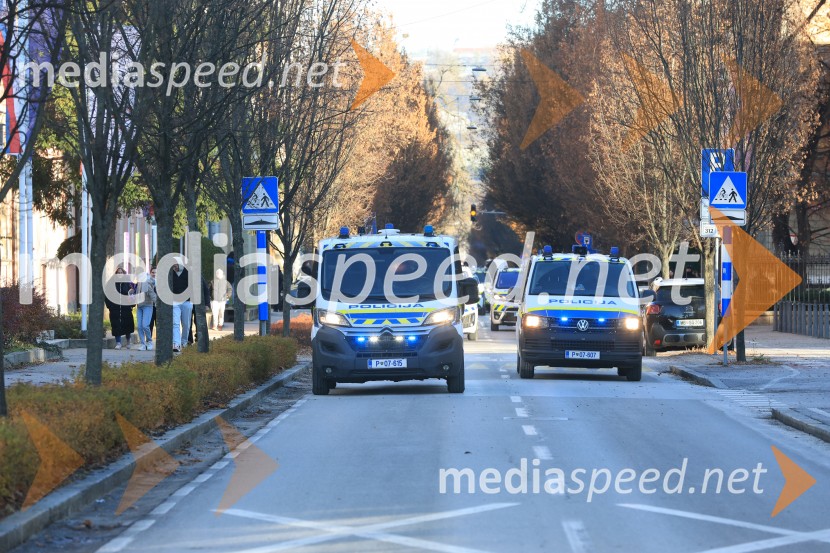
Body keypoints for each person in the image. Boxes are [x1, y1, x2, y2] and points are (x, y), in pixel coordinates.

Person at [106, 266, 136, 349]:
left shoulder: (128, 283)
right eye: (118, 273)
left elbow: (133, 294)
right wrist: (110, 306)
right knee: (116, 325)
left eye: (121, 272)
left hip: (126, 308)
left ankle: (128, 342)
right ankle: (118, 343)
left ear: (124, 273)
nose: (119, 274)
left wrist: (131, 305)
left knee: (127, 325)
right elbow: (107, 295)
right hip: (115, 309)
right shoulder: (111, 283)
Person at [171, 258, 192, 352]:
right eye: (172, 265)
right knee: (175, 322)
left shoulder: (188, 272)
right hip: (175, 301)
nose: (174, 267)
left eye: (175, 265)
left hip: (187, 301)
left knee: (186, 324)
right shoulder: (170, 273)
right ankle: (176, 344)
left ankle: (184, 342)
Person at [136, 268, 157, 350]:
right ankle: (142, 344)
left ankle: (149, 341)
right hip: (139, 307)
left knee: (145, 325)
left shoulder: (146, 283)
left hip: (147, 306)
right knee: (139, 326)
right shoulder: (139, 284)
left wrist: (157, 304)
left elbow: (152, 294)